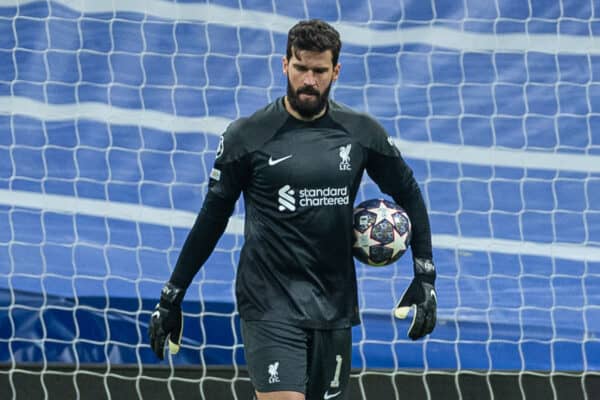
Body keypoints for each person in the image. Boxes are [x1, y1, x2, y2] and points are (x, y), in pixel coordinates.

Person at [148, 19, 437, 400]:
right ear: (284, 65)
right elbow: (212, 219)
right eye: (301, 68)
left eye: (319, 71)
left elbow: (409, 193)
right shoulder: (247, 136)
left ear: (336, 71)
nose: (309, 81)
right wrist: (173, 295)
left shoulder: (360, 132)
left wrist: (425, 273)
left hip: (333, 304)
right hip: (269, 302)